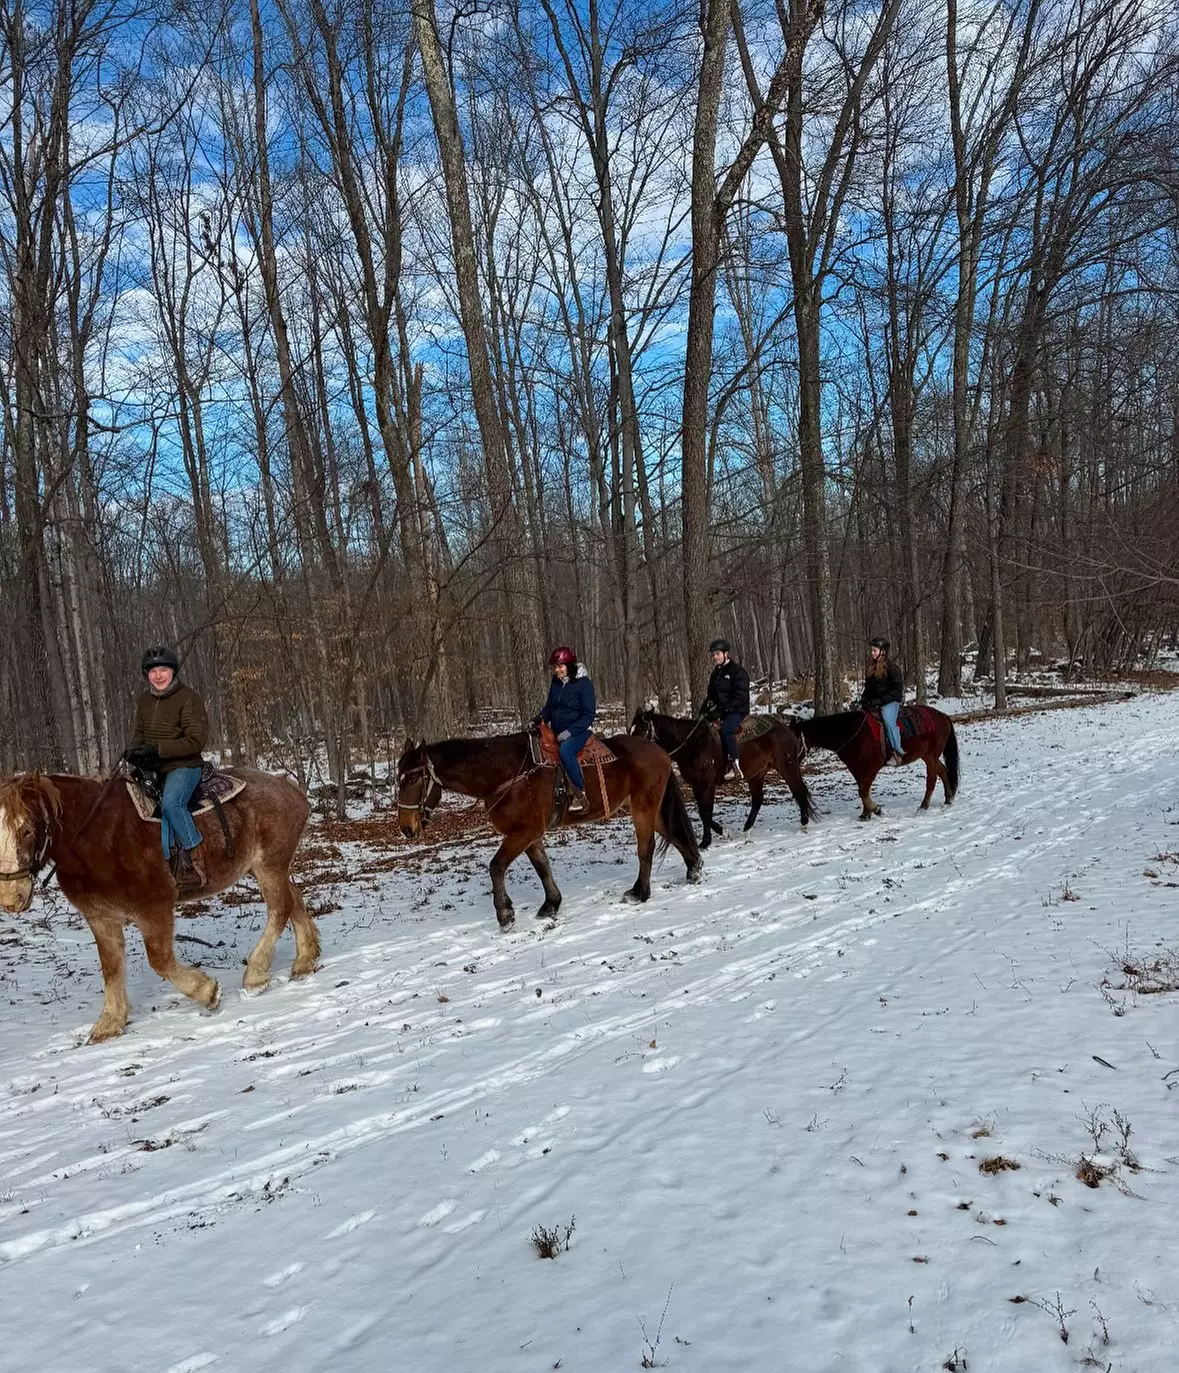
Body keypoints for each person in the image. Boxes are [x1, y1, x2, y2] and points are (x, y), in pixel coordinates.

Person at [123, 645, 210, 893]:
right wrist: (135, 752)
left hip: (184, 765)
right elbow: (139, 735)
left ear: (173, 671)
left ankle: (195, 857)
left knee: (172, 803)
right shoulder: (143, 700)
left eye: (163, 669)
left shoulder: (188, 698)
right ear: (146, 674)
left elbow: (196, 740)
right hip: (153, 767)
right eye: (153, 671)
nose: (158, 676)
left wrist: (158, 750)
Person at [535, 646, 596, 816]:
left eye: (561, 666)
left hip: (580, 731)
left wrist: (570, 732)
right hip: (557, 730)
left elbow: (589, 714)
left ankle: (579, 793)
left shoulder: (583, 684)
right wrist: (538, 719)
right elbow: (549, 707)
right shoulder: (555, 683)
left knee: (566, 750)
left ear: (570, 665)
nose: (557, 670)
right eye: (555, 667)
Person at [700, 638, 750, 780]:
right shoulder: (716, 673)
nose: (714, 657)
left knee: (727, 729)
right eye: (713, 655)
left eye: (717, 654)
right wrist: (705, 709)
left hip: (737, 710)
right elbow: (711, 695)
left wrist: (725, 710)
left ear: (726, 654)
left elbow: (740, 696)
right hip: (721, 709)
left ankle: (734, 765)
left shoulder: (738, 672)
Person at [861, 636, 904, 765]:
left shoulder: (893, 668)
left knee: (888, 721)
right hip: (876, 701)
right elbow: (868, 689)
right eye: (872, 650)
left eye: (875, 650)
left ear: (883, 652)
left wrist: (881, 701)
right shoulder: (871, 668)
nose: (872, 653)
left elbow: (897, 690)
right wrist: (864, 700)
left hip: (891, 702)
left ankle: (897, 752)